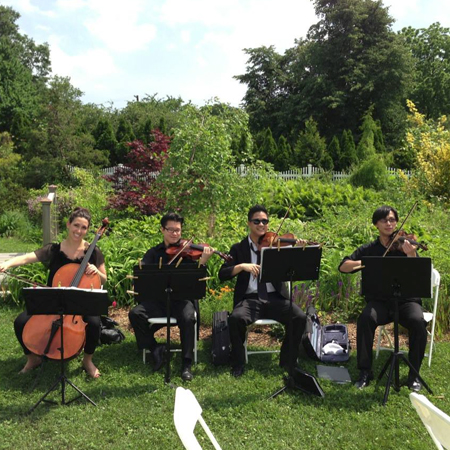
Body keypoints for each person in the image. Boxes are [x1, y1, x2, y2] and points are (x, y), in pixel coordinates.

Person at [0, 207, 107, 378]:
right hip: (54, 302)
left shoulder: (93, 252)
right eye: (76, 225)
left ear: (88, 230)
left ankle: (87, 360)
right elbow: (28, 257)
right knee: (21, 322)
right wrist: (8, 264)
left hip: (79, 303)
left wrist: (96, 271)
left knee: (94, 323)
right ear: (68, 224)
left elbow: (104, 279)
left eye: (84, 227)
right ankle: (33, 358)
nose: (79, 231)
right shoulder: (54, 250)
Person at [338, 205, 427, 392]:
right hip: (380, 301)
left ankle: (414, 375)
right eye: (384, 220)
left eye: (393, 220)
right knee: (365, 319)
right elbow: (343, 266)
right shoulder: (369, 248)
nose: (389, 223)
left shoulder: (404, 245)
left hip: (406, 301)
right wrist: (367, 263)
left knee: (418, 321)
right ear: (376, 224)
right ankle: (365, 372)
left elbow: (418, 272)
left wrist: (411, 253)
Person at [218, 204, 307, 378]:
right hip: (250, 298)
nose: (261, 225)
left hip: (275, 297)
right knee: (235, 318)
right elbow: (223, 274)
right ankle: (238, 362)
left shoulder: (277, 246)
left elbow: (294, 268)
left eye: (264, 221)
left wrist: (298, 249)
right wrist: (241, 266)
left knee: (299, 317)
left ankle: (288, 360)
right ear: (249, 223)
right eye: (257, 221)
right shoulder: (239, 248)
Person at [128, 212, 213, 382]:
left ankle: (186, 364)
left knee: (188, 317)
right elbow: (143, 274)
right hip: (158, 300)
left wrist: (202, 262)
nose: (175, 234)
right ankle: (155, 348)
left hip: (181, 300)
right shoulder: (153, 253)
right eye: (171, 230)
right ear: (162, 229)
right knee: (135, 314)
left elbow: (196, 281)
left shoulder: (188, 253)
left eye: (178, 230)